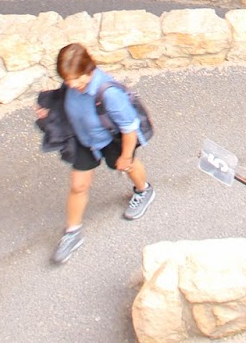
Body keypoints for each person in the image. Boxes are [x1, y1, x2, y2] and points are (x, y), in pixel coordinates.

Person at [34, 43, 156, 264]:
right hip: (84, 139)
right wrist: (49, 113)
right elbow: (68, 103)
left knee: (128, 166)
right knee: (78, 186)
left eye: (76, 78)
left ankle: (143, 190)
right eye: (67, 79)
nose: (71, 84)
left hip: (110, 139)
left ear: (88, 69)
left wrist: (125, 156)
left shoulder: (109, 94)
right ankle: (72, 233)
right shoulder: (72, 85)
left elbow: (129, 128)